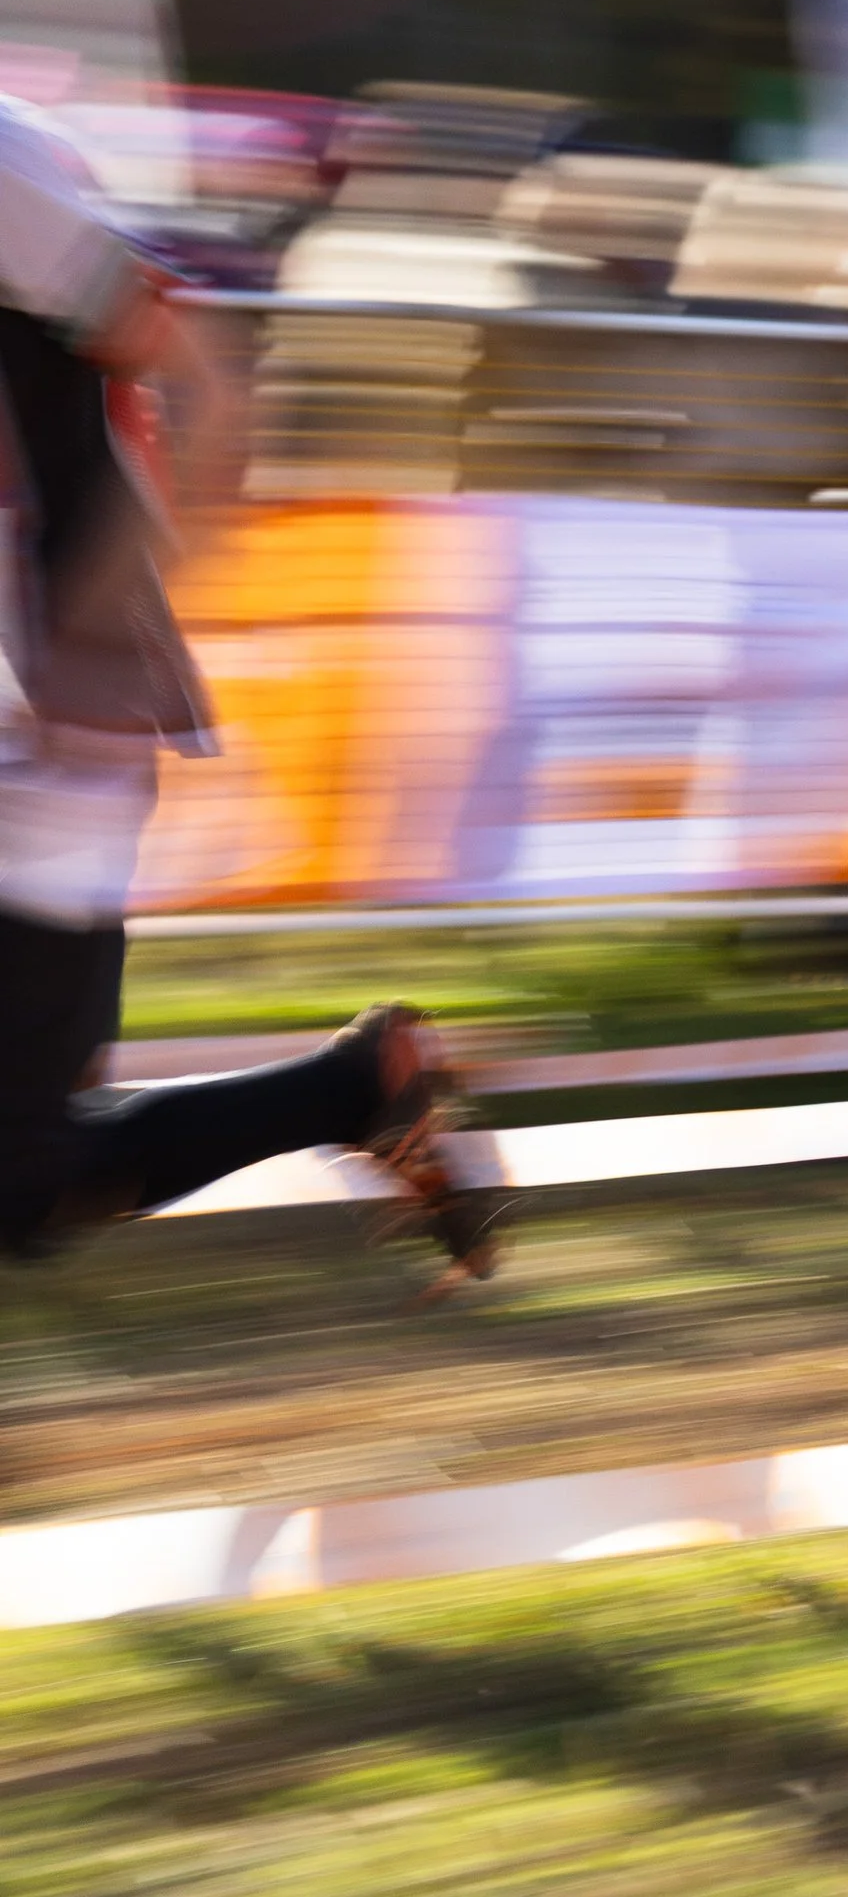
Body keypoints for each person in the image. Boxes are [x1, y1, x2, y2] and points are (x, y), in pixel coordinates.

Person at [0, 74, 494, 1277]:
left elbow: (210, 383)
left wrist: (86, 637)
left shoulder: (7, 176)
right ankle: (357, 1087)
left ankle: (355, 1086)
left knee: (18, 1188)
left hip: (43, 742)